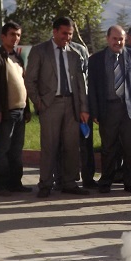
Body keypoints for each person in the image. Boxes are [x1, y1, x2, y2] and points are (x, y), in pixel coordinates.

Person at [25, 16, 91, 198]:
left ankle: (69, 183)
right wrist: (38, 102)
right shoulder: (40, 51)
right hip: (50, 105)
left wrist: (84, 108)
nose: (67, 38)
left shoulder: (74, 53)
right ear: (54, 32)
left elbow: (81, 84)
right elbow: (30, 79)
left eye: (70, 34)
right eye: (64, 33)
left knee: (71, 146)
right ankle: (45, 184)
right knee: (49, 146)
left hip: (72, 105)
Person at [88, 26, 131, 194]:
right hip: (107, 108)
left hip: (129, 109)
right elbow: (92, 88)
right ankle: (106, 181)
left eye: (121, 39)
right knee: (108, 147)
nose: (118, 42)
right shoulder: (96, 60)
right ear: (108, 39)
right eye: (114, 39)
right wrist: (94, 111)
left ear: (125, 39)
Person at [0, 21, 33, 197]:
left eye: (18, 35)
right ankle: (1, 185)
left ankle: (15, 183)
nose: (15, 38)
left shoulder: (18, 58)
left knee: (16, 149)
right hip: (5, 112)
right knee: (3, 148)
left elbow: (23, 85)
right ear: (3, 36)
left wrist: (27, 109)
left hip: (20, 111)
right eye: (12, 34)